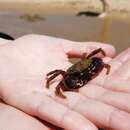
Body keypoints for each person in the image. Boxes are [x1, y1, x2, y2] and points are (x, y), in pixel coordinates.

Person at [0, 34, 130, 130]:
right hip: (76, 69)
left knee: (95, 65)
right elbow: (59, 79)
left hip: (88, 63)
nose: (87, 73)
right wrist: (50, 85)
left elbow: (99, 60)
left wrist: (104, 68)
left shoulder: (93, 61)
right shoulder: (69, 74)